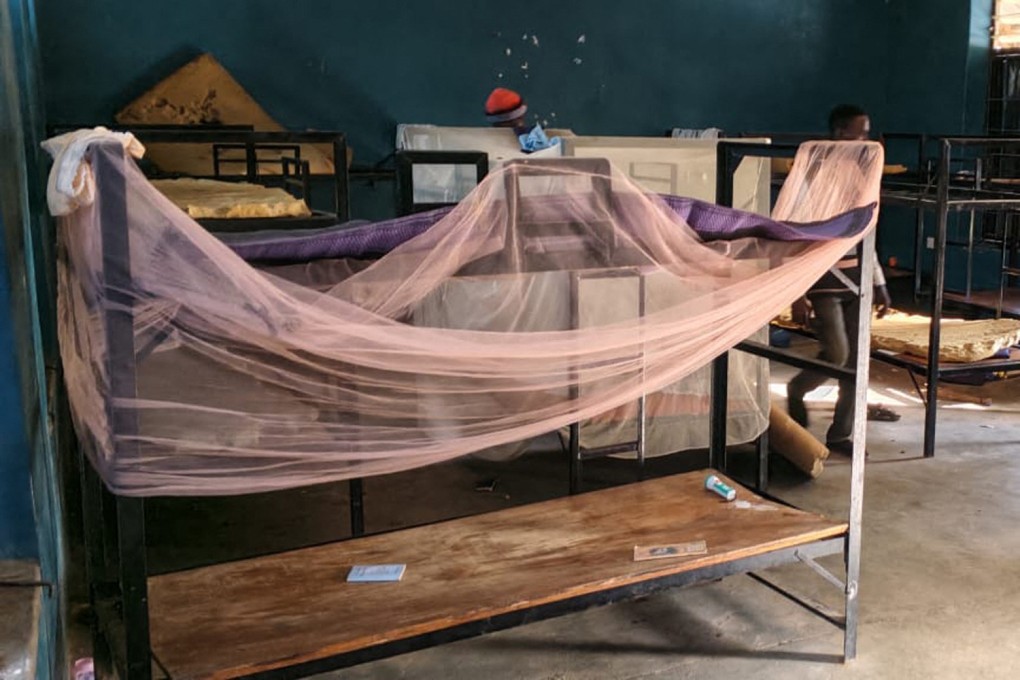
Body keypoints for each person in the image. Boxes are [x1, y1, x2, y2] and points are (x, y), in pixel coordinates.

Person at [786, 104, 899, 456]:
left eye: (868, 133)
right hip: (823, 279)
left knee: (856, 361)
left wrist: (879, 282)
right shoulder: (812, 173)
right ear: (839, 133)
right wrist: (797, 293)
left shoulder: (861, 176)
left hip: (858, 277)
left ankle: (840, 434)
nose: (865, 140)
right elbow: (793, 233)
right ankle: (798, 389)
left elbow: (866, 234)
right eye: (859, 133)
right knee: (837, 353)